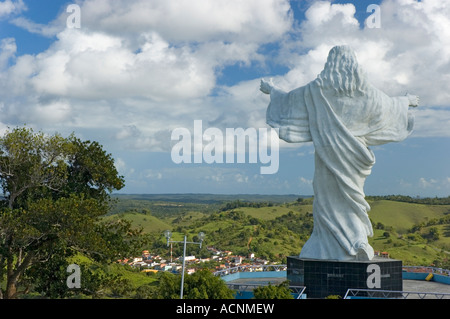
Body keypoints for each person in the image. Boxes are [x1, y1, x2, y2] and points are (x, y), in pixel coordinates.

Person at [260, 45, 418, 261]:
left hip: (326, 158)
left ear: (330, 64)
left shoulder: (316, 90)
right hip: (355, 158)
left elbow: (289, 100)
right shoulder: (367, 94)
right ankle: (357, 242)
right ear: (354, 64)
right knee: (351, 200)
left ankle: (328, 245)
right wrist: (406, 101)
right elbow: (389, 106)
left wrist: (272, 90)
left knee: (328, 202)